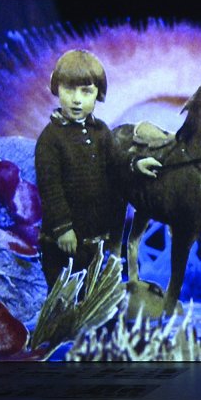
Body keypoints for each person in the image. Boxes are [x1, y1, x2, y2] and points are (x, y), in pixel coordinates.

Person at [34, 49, 160, 292]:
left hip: (98, 237)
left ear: (98, 94)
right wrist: (63, 228)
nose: (76, 99)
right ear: (56, 89)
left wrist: (136, 165)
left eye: (86, 91)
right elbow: (50, 188)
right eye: (69, 90)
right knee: (65, 294)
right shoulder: (50, 139)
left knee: (95, 294)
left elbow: (117, 164)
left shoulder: (102, 132)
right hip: (65, 242)